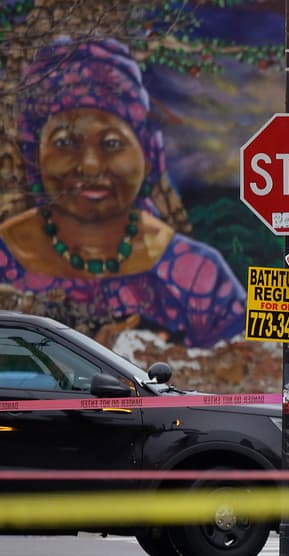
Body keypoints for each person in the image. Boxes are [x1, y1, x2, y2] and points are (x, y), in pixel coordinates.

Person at [0, 39, 245, 348]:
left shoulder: (196, 276)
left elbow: (244, 373)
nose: (90, 166)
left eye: (112, 143)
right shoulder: (5, 260)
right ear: (33, 154)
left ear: (148, 153)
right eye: (65, 142)